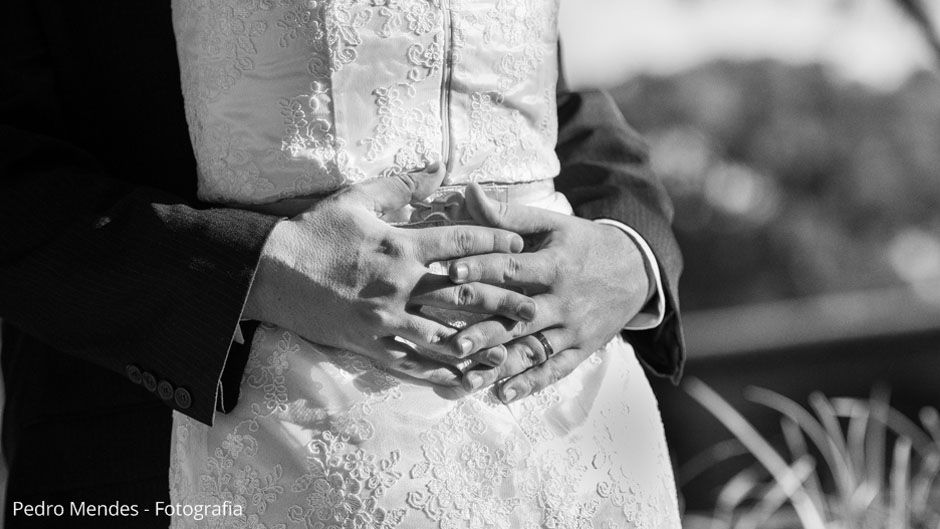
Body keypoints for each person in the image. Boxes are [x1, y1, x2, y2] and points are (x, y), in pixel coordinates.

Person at [0, 1, 683, 528]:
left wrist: (629, 255)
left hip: (586, 464)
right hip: (226, 466)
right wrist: (265, 267)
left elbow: (541, 103)